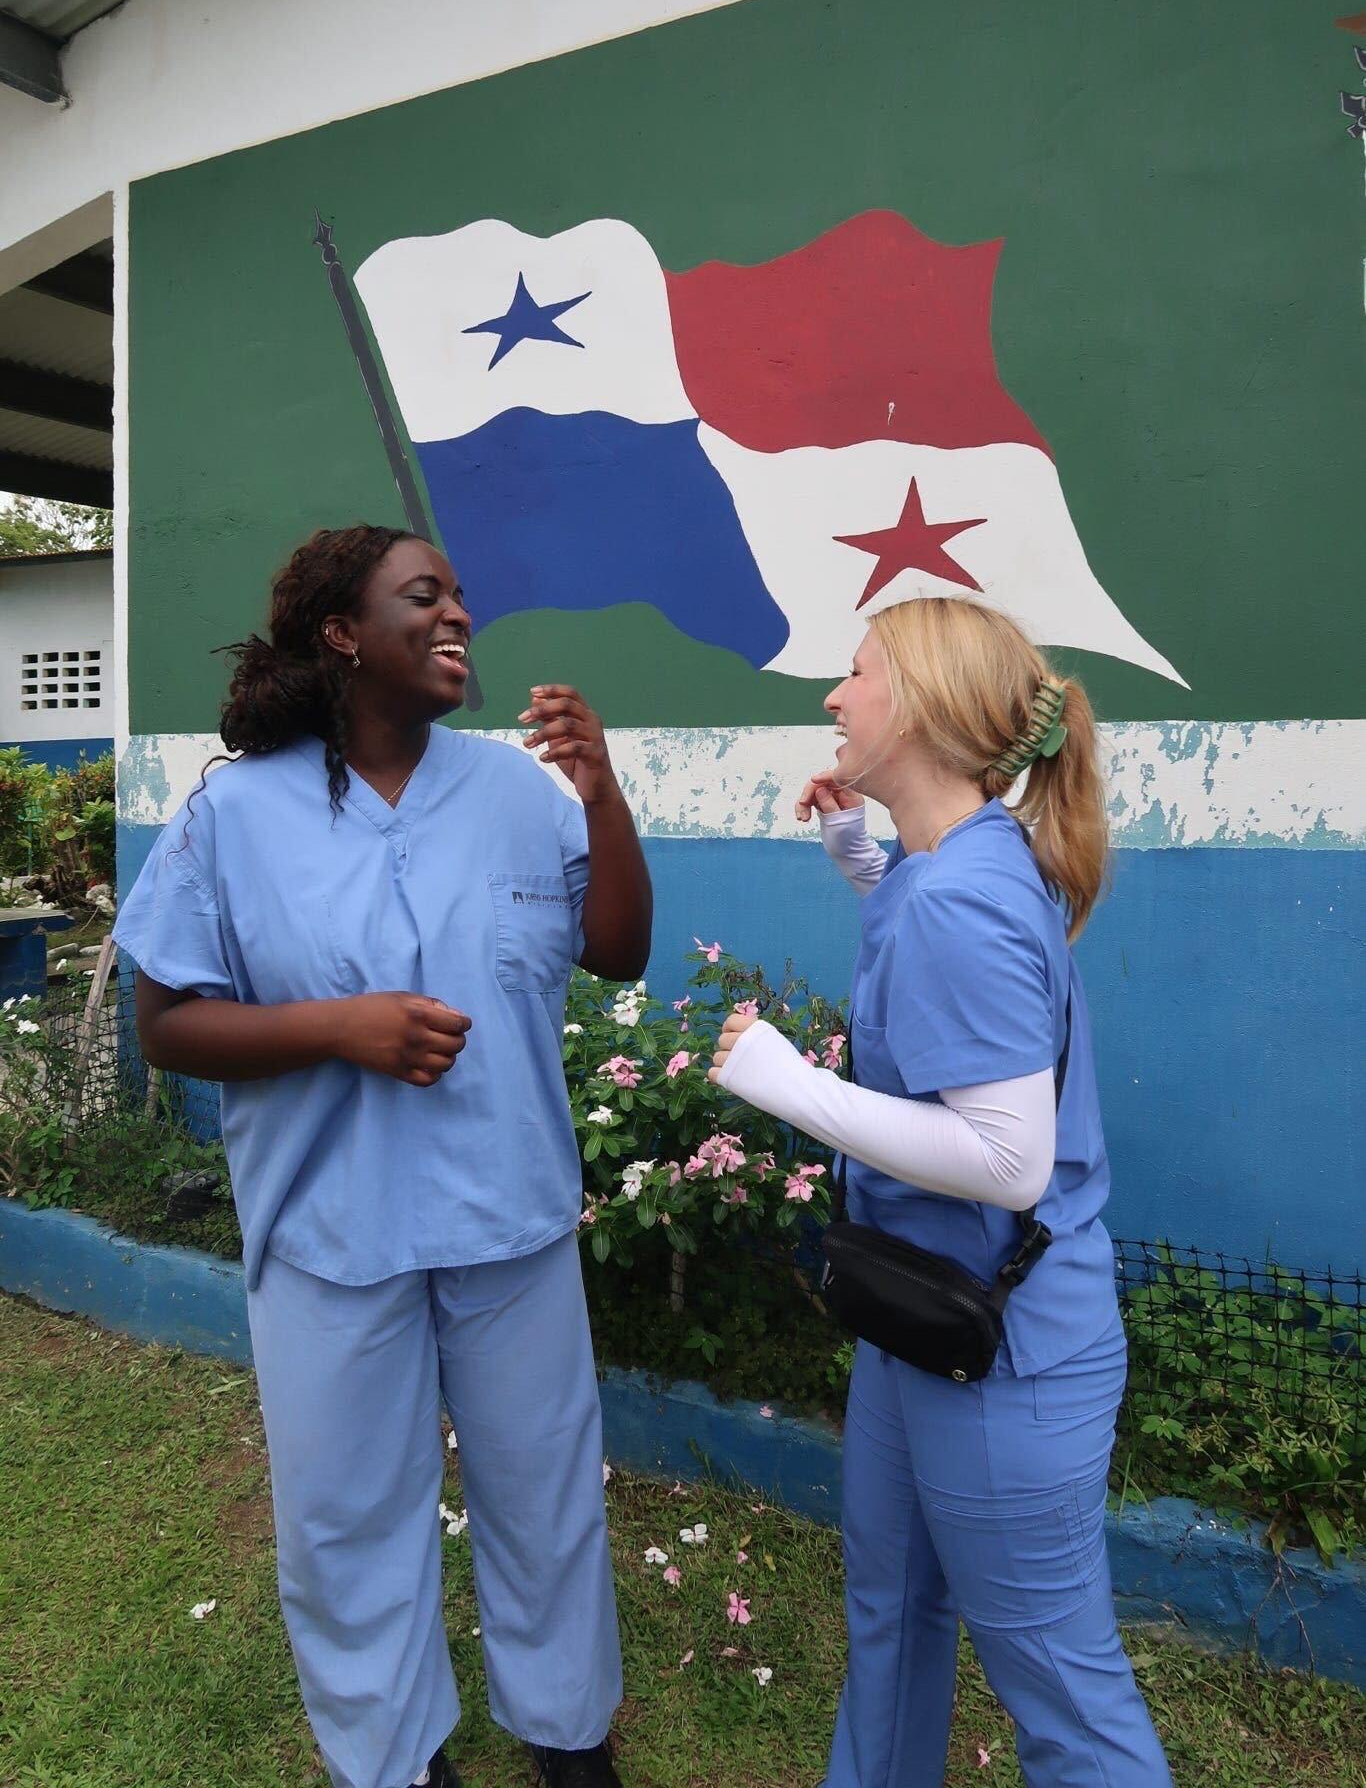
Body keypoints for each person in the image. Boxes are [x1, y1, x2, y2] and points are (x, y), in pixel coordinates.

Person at [115, 525, 652, 1788]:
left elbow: (616, 951)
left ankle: (570, 1743)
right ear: (344, 633)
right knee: (350, 1518)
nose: (458, 612)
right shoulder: (234, 814)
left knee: (547, 1496)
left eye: (462, 592)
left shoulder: (521, 791)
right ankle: (396, 1757)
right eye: (426, 595)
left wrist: (604, 790)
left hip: (508, 1221)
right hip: (331, 1235)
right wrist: (337, 1029)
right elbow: (167, 1022)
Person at [709, 597, 1171, 1787]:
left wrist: (787, 1084)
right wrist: (858, 855)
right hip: (921, 1324)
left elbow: (1008, 1156)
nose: (832, 697)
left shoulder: (962, 892)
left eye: (854, 673)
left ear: (914, 704)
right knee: (892, 1614)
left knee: (1063, 1695)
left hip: (1005, 1356)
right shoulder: (951, 863)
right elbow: (938, 975)